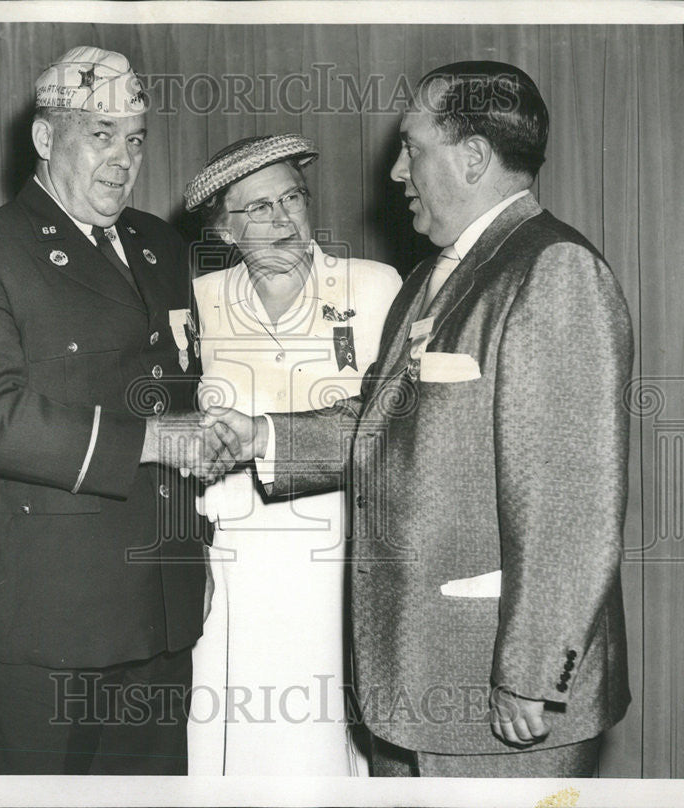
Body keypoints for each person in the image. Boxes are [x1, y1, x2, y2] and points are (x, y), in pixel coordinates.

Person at [205, 62, 633, 777]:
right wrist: (265, 436)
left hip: (498, 688)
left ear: (471, 157)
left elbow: (572, 502)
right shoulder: (432, 280)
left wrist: (534, 671)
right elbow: (382, 422)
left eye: (413, 148)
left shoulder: (552, 271)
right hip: (409, 681)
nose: (397, 172)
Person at [0, 46, 235, 775]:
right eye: (100, 134)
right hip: (40, 618)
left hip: (158, 604)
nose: (123, 158)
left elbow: (182, 386)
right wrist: (153, 440)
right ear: (44, 138)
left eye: (135, 138)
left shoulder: (161, 245)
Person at [182, 134, 402, 775]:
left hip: (336, 554)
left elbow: (391, 427)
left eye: (292, 199)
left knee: (317, 730)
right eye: (258, 208)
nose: (282, 220)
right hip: (235, 556)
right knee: (234, 727)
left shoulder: (372, 287)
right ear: (223, 229)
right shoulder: (202, 303)